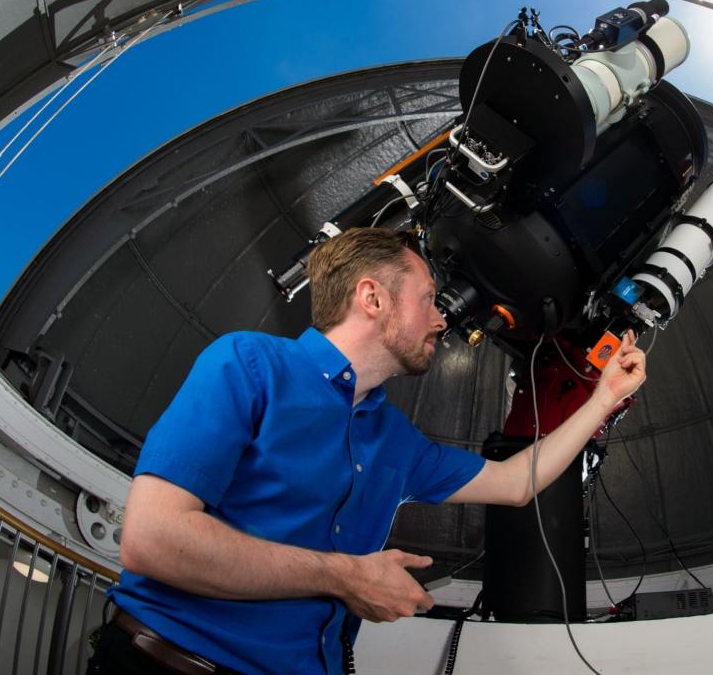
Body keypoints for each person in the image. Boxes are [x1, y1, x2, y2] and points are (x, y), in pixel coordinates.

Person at [91, 227, 646, 674]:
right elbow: (152, 540)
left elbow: (515, 483)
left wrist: (601, 400)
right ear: (372, 297)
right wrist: (345, 577)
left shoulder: (393, 436)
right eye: (429, 299)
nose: (441, 317)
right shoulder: (249, 365)